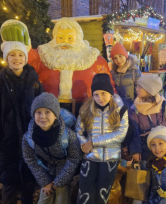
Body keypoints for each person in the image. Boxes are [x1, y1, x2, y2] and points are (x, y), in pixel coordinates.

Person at [0, 41, 43, 204]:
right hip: (7, 147)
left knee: (29, 186)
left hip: (30, 145)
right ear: (6, 59)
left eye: (21, 54)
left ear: (26, 58)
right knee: (8, 188)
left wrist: (39, 138)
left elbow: (44, 112)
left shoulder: (35, 84)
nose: (17, 58)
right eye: (12, 55)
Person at [0, 18, 116, 102]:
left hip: (85, 113)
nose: (64, 41)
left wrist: (115, 104)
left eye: (70, 38)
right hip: (48, 114)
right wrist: (20, 43)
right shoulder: (43, 55)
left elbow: (110, 87)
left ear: (78, 39)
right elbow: (25, 57)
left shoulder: (95, 59)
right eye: (60, 37)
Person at [75, 73, 129, 204]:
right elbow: (79, 131)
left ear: (110, 93)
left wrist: (93, 142)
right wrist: (84, 146)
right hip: (90, 156)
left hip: (110, 158)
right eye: (96, 94)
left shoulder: (120, 110)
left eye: (104, 93)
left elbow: (120, 134)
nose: (100, 98)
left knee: (103, 191)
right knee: (85, 190)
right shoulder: (86, 109)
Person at [22, 92, 82, 204]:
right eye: (38, 112)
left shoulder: (68, 135)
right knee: (45, 197)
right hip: (44, 169)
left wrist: (58, 182)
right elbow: (30, 160)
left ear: (55, 115)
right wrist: (45, 182)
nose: (42, 116)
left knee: (62, 196)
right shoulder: (28, 138)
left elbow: (74, 158)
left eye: (47, 112)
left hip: (64, 170)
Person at [110, 42, 142, 107]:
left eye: (120, 56)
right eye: (115, 58)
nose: (118, 60)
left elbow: (140, 92)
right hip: (118, 107)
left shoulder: (134, 71)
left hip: (132, 107)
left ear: (125, 56)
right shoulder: (113, 73)